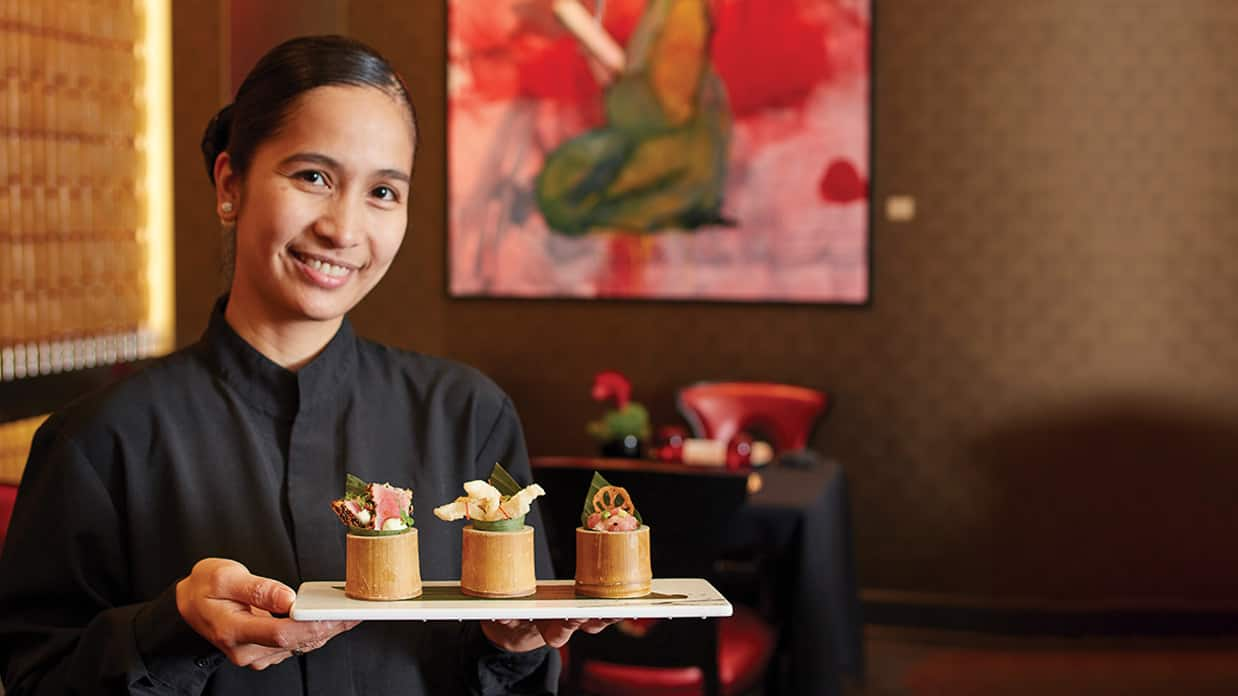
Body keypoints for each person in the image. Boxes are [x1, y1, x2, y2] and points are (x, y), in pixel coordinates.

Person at [0, 35, 610, 695]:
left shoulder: (468, 415)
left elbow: (524, 676)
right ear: (230, 184)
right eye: (313, 177)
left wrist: (511, 647)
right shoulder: (98, 439)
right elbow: (35, 679)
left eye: (382, 192)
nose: (344, 229)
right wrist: (168, 630)